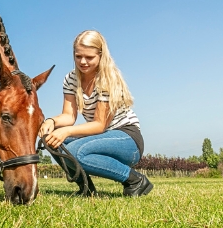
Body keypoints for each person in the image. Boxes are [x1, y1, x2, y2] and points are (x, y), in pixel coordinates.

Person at [38, 30, 153, 197]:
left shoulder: (107, 79)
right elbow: (69, 116)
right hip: (99, 136)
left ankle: (135, 180)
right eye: (78, 56)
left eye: (89, 57)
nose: (83, 62)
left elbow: (100, 125)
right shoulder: (71, 79)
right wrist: (51, 122)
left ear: (101, 55)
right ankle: (86, 189)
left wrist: (67, 131)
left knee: (76, 152)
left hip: (126, 138)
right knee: (52, 141)